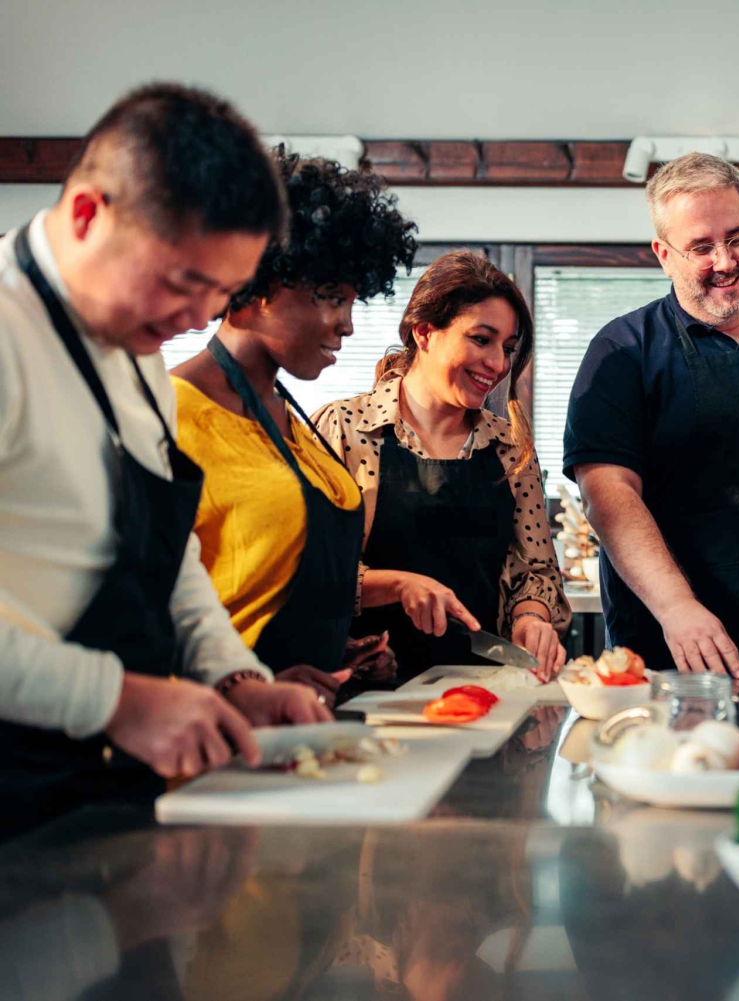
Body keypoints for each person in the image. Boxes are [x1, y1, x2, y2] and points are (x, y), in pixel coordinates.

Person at [0, 83, 331, 836]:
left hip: (108, 790)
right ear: (88, 213)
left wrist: (233, 673)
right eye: (184, 282)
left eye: (220, 292)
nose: (196, 321)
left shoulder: (138, 345)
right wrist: (114, 699)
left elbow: (165, 554)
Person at [564, 153, 739, 677]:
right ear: (663, 255)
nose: (724, 260)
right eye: (699, 247)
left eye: (735, 238)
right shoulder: (623, 351)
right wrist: (676, 608)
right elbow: (607, 493)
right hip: (675, 639)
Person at [171, 149, 416, 704]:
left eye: (353, 301)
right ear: (257, 282)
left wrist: (335, 655)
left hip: (296, 731)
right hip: (215, 738)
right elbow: (147, 606)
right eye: (331, 297)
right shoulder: (171, 414)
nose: (347, 325)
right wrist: (247, 686)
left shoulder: (294, 419)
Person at [314, 251, 569, 681]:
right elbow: (312, 572)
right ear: (425, 332)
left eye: (507, 348)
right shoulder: (344, 430)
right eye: (481, 339)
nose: (498, 364)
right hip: (368, 690)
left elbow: (535, 569)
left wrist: (531, 617)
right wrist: (398, 584)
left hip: (485, 688)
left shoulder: (511, 446)